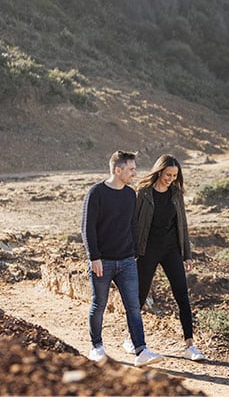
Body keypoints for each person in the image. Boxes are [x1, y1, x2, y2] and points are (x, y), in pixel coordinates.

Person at [81, 150, 163, 367]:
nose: (135, 173)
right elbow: (87, 228)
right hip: (102, 261)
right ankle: (96, 347)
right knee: (99, 304)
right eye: (131, 169)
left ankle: (141, 350)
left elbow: (132, 226)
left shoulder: (129, 194)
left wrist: (135, 252)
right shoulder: (96, 193)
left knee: (134, 307)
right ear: (118, 170)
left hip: (127, 261)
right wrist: (94, 257)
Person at [123, 153, 205, 361]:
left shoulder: (176, 194)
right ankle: (132, 340)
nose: (170, 178)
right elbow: (132, 225)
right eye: (168, 174)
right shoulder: (143, 193)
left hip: (171, 251)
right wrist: (129, 251)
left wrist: (187, 255)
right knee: (139, 298)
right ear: (159, 171)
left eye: (174, 175)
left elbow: (182, 226)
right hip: (146, 250)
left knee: (182, 297)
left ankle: (189, 345)